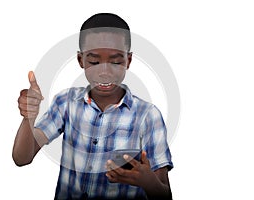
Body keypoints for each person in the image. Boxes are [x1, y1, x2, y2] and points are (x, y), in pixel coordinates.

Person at [13, 13, 173, 200]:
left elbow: (165, 195)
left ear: (128, 61)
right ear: (81, 60)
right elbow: (22, 158)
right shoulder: (66, 102)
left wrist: (148, 181)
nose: (104, 71)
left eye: (115, 61)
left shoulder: (148, 115)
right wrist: (28, 118)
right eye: (94, 62)